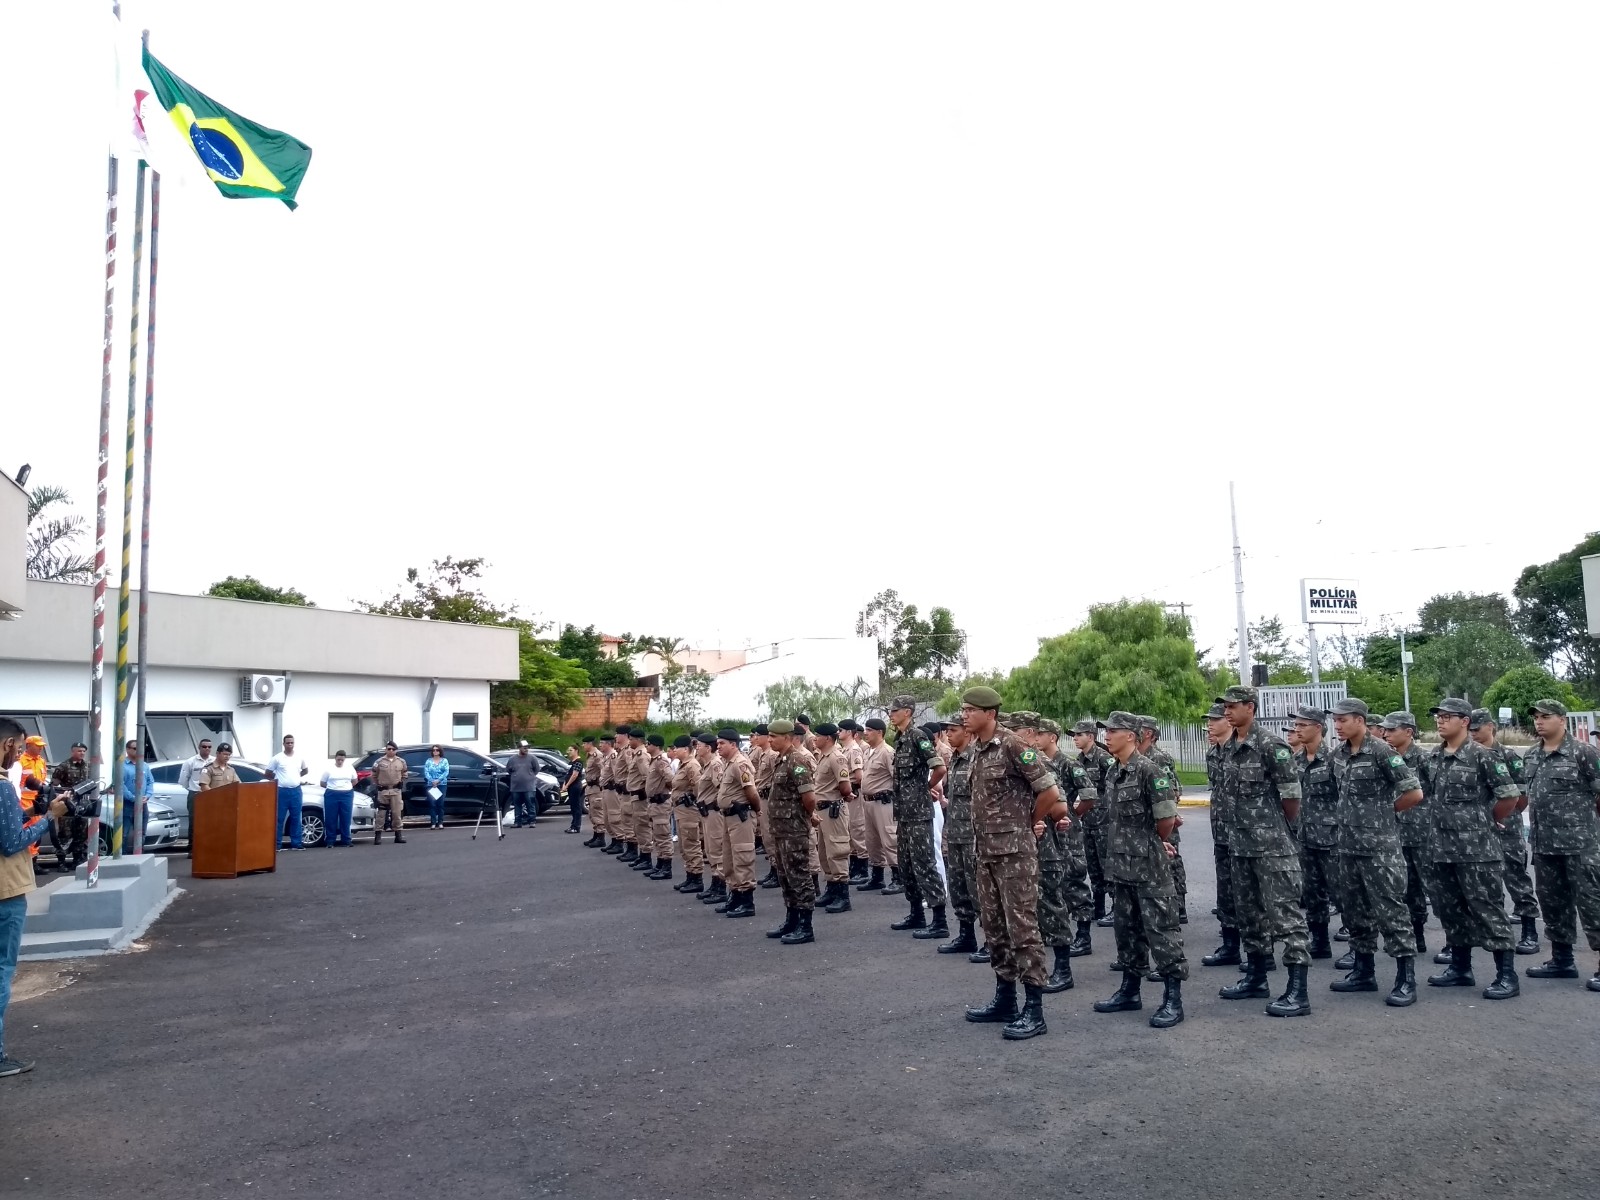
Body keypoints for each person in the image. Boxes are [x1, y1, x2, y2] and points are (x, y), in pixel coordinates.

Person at [958, 686, 1066, 1041]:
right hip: (985, 853)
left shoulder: (1013, 745)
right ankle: (1005, 998)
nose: (963, 715)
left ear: (990, 714)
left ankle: (1034, 1008)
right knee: (994, 928)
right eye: (963, 709)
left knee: (1022, 928)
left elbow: (1049, 792)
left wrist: (1029, 822)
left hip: (1015, 854)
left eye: (970, 710)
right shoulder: (977, 748)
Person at [1217, 685, 1311, 1018]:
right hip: (1241, 847)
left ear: (1250, 707)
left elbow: (1291, 797)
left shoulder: (1272, 746)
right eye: (1225, 707)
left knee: (1286, 918)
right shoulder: (1230, 747)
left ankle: (1298, 991)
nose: (1227, 711)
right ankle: (1256, 978)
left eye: (1232, 705)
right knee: (1249, 917)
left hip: (1272, 848)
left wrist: (1274, 828)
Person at [1091, 711, 1187, 1029]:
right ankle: (1130, 991)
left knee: (1161, 931)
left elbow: (1166, 819)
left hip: (1148, 865)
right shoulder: (1114, 772)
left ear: (1130, 736)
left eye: (1113, 731)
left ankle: (1173, 999)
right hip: (1120, 865)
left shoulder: (1150, 771)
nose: (1106, 735)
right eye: (1105, 731)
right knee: (1126, 931)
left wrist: (1154, 843)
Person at [1327, 698, 1424, 1006]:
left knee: (1392, 913)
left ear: (1360, 720)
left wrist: (1387, 812)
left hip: (1380, 850)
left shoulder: (1383, 752)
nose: (1338, 725)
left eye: (1343, 720)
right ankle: (1363, 972)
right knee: (1355, 913)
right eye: (1336, 721)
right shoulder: (1338, 755)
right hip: (1348, 848)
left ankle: (1405, 978)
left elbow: (1414, 792)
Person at [1423, 697, 1522, 1000]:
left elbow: (1509, 796)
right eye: (1438, 716)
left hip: (1478, 850)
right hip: (1442, 848)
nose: (1440, 721)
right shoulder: (1434, 758)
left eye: (1447, 717)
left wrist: (1486, 820)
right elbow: (1423, 794)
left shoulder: (1483, 756)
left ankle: (1506, 974)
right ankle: (1460, 968)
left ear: (1464, 721)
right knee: (1451, 911)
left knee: (1488, 909)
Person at [0, 716, 71, 1077]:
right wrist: (49, 818)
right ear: (7, 746)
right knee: (1, 971)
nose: (18, 753)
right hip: (5, 891)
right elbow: (11, 841)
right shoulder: (2, 786)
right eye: (17, 746)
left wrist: (33, 811)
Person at [1519, 699, 1600, 990]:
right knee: (1553, 904)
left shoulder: (1584, 752)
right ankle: (1562, 960)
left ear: (1562, 720)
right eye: (1537, 717)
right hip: (1544, 845)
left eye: (1546, 717)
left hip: (1580, 845)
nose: (1539, 722)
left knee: (1592, 904)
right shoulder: (1531, 755)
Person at [1469, 709, 1541, 956]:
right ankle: (1493, 931)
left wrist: (1501, 815)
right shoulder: (1469, 756)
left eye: (1477, 729)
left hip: (1506, 828)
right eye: (1470, 730)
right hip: (1478, 830)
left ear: (1490, 727)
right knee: (1485, 883)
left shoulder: (1508, 756)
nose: (1473, 734)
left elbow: (1521, 799)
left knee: (1516, 878)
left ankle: (1529, 930)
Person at [1038, 717, 1097, 965]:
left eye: (1041, 734)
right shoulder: (1039, 763)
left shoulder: (1069, 764)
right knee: (1054, 884)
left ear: (1052, 737)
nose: (1036, 738)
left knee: (1074, 881)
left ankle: (1083, 935)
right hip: (1050, 832)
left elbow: (1089, 795)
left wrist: (1075, 814)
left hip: (1068, 831)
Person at [888, 694, 948, 938]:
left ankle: (940, 921)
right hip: (904, 813)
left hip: (919, 814)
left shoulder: (918, 736)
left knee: (924, 864)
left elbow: (939, 767)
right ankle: (916, 914)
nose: (891, 713)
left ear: (908, 712)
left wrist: (926, 788)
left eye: (895, 710)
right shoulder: (900, 738)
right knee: (907, 866)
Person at [1382, 711, 1438, 959]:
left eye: (1392, 730)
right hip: (1396, 834)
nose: (1386, 734)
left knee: (1436, 889)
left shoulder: (1424, 759)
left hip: (1423, 833)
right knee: (1406, 890)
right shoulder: (1386, 757)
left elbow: (1437, 792)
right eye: (1385, 730)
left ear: (1409, 731)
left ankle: (1454, 941)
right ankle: (1416, 935)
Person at [763, 720, 820, 944]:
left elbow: (809, 797)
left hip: (794, 829)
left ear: (787, 737)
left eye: (773, 736)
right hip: (781, 829)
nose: (769, 740)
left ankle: (806, 926)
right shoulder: (782, 760)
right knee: (785, 877)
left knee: (799, 876)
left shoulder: (797, 760)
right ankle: (792, 919)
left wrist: (807, 815)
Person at [1292, 706, 1340, 961]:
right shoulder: (1296, 761)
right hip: (1306, 838)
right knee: (1312, 894)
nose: (1297, 729)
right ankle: (1320, 941)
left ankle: (1359, 948)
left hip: (1333, 840)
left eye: (1302, 725)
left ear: (1318, 727)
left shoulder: (1334, 759)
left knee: (1344, 895)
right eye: (1296, 725)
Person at [1199, 704, 1242, 967]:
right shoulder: (1213, 753)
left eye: (1216, 719)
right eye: (1210, 720)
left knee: (1250, 895)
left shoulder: (1244, 750)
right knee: (1226, 892)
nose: (1211, 724)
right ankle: (1230, 946)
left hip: (1246, 834)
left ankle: (1261, 953)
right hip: (1222, 833)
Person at [937, 714, 981, 956]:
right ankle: (966, 936)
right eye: (947, 730)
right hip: (955, 833)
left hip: (972, 835)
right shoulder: (955, 758)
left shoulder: (976, 757)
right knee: (959, 888)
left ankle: (991, 942)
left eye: (953, 730)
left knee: (979, 891)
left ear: (967, 732)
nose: (948, 734)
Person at [1136, 717, 1188, 923]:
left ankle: (1179, 904)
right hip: (1150, 818)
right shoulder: (1139, 757)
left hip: (1164, 816)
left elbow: (1172, 790)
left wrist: (1169, 814)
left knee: (1171, 861)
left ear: (1148, 733)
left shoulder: (1158, 758)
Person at [1071, 719, 1115, 929]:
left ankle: (1116, 907)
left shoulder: (1104, 758)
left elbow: (1115, 783)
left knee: (1108, 864)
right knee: (1093, 866)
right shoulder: (1078, 760)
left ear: (1091, 736)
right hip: (1088, 821)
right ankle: (1099, 908)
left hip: (1104, 820)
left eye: (1079, 734)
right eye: (1074, 735)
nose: (1075, 738)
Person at [713, 729, 761, 917]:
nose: (718, 747)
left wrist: (757, 810)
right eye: (717, 744)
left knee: (743, 857)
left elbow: (751, 791)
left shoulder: (740, 763)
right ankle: (734, 894)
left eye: (722, 743)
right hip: (728, 816)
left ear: (733, 744)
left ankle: (746, 901)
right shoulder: (727, 763)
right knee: (729, 858)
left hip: (741, 816)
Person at [808, 724, 855, 914]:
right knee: (825, 853)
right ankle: (831, 889)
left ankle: (843, 896)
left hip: (833, 810)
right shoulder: (822, 757)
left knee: (837, 851)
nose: (814, 739)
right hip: (822, 811)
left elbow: (845, 787)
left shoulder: (837, 757)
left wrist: (843, 796)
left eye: (817, 736)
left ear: (827, 738)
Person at [857, 718, 900, 895]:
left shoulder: (887, 752)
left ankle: (898, 877)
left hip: (883, 802)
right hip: (867, 802)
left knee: (890, 840)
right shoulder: (868, 751)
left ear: (879, 732)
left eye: (869, 730)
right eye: (865, 730)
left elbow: (896, 779)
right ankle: (877, 876)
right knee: (872, 841)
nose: (865, 733)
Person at [668, 736, 704, 892]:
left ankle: (697, 878)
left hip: (689, 810)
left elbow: (698, 787)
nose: (674, 750)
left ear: (685, 749)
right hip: (681, 810)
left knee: (691, 844)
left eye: (677, 748)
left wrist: (693, 799)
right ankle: (690, 875)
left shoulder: (692, 766)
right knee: (684, 846)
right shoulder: (684, 765)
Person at [695, 734, 728, 905]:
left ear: (708, 748)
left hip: (714, 812)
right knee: (710, 849)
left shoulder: (715, 764)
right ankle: (715, 884)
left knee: (716, 849)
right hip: (707, 812)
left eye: (699, 745)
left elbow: (721, 788)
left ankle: (721, 887)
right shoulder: (707, 764)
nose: (697, 748)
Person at [49, 742, 91, 871]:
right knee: (65, 834)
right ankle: (61, 862)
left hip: (82, 804)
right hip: (67, 805)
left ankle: (77, 860)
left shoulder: (87, 766)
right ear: (72, 752)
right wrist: (63, 796)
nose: (82, 753)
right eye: (79, 751)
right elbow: (54, 785)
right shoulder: (64, 766)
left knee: (81, 833)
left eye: (83, 751)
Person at [837, 719, 870, 884]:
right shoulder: (844, 749)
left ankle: (863, 869)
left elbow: (859, 776)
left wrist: (851, 788)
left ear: (849, 732)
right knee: (849, 832)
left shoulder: (855, 750)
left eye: (841, 730)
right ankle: (855, 867)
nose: (838, 733)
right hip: (846, 795)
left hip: (854, 794)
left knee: (857, 830)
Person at [266, 734, 310, 850]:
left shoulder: (299, 758)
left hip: (296, 791)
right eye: (287, 743)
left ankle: (296, 843)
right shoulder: (277, 758)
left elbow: (305, 770)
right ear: (284, 744)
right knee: (279, 818)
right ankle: (277, 844)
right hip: (282, 791)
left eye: (292, 743)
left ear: (294, 744)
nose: (290, 745)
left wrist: (296, 776)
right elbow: (267, 772)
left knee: (296, 818)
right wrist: (277, 778)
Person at [642, 735, 674, 879]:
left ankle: (667, 867)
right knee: (657, 835)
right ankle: (660, 864)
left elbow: (670, 779)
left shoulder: (661, 762)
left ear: (655, 745)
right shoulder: (653, 761)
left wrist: (663, 792)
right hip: (654, 803)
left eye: (649, 744)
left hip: (661, 802)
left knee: (663, 834)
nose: (647, 746)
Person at [17, 736, 50, 874]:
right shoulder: (20, 761)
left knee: (36, 835)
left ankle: (34, 863)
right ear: (29, 745)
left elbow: (42, 781)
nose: (40, 748)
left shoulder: (41, 761)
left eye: (42, 745)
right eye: (38, 745)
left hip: (38, 801)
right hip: (23, 802)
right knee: (25, 833)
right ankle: (26, 865)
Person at [178, 738, 214, 856]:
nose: (207, 749)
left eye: (209, 747)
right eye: (204, 746)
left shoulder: (214, 761)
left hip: (211, 794)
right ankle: (192, 849)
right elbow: (184, 780)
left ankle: (209, 847)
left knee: (211, 822)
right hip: (196, 794)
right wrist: (194, 789)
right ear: (199, 748)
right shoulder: (190, 762)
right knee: (194, 822)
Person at [119, 739, 154, 853]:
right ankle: (122, 857)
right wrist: (133, 798)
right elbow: (121, 785)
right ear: (128, 750)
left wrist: (148, 795)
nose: (138, 751)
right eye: (135, 748)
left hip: (143, 804)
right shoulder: (122, 765)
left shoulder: (144, 765)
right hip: (127, 804)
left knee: (141, 833)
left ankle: (138, 855)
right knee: (124, 834)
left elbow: (150, 782)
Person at [370, 741, 408, 845]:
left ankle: (398, 835)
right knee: (381, 814)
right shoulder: (379, 761)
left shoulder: (401, 761)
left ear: (396, 750)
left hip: (396, 791)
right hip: (383, 791)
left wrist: (401, 782)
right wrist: (379, 784)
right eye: (389, 749)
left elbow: (404, 773)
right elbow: (374, 774)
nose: (391, 751)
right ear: (386, 750)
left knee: (397, 814)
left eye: (393, 749)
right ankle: (378, 836)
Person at [320, 751, 358, 846]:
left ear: (344, 759)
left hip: (346, 794)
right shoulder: (329, 769)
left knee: (345, 817)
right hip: (332, 794)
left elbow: (355, 780)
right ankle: (330, 840)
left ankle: (346, 840)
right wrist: (333, 788)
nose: (340, 761)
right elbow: (322, 782)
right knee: (331, 817)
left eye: (342, 760)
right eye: (338, 760)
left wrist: (345, 787)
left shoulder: (349, 768)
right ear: (335, 759)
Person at [506, 741, 542, 829]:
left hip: (529, 786)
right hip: (516, 787)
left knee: (530, 804)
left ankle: (532, 821)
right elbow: (508, 770)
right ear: (519, 748)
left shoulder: (532, 758)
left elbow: (536, 769)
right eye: (524, 747)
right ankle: (517, 822)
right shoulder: (512, 759)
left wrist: (529, 776)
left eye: (527, 748)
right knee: (517, 805)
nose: (526, 749)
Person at [581, 735, 604, 843]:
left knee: (598, 812)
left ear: (590, 744)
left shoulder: (597, 755)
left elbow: (603, 770)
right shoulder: (590, 755)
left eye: (584, 744)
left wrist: (600, 782)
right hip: (590, 788)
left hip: (596, 788)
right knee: (592, 813)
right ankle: (596, 834)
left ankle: (600, 836)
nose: (583, 746)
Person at [421, 746, 450, 829]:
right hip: (431, 785)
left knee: (440, 803)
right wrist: (432, 781)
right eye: (433, 750)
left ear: (440, 751)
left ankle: (440, 822)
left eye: (437, 750)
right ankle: (433, 822)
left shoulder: (444, 761)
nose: (435, 751)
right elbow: (426, 772)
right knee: (432, 804)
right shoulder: (428, 761)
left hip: (442, 784)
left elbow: (446, 772)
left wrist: (438, 780)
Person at [562, 745, 586, 834]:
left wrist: (567, 785)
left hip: (575, 786)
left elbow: (574, 775)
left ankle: (576, 826)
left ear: (576, 751)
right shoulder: (571, 762)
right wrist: (564, 785)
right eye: (568, 750)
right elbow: (568, 774)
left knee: (576, 806)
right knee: (572, 806)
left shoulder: (578, 762)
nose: (568, 752)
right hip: (570, 786)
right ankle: (573, 825)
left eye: (571, 750)